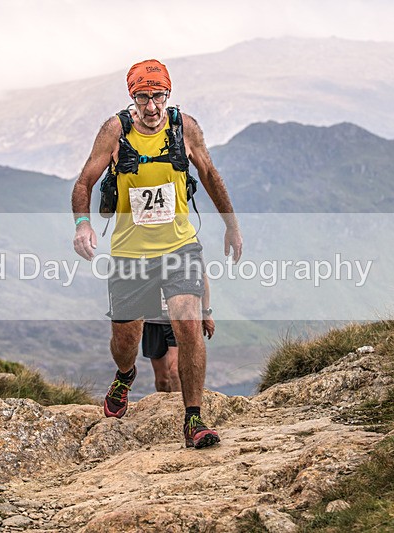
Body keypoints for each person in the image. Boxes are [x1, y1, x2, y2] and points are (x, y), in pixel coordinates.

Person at [71, 59, 242, 449]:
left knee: (188, 325)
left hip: (180, 247)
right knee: (125, 342)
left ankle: (194, 419)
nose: (151, 106)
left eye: (158, 96)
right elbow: (84, 181)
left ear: (168, 94)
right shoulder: (115, 130)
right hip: (130, 253)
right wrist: (82, 224)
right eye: (143, 97)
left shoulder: (185, 128)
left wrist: (231, 225)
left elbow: (210, 175)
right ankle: (125, 375)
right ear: (132, 97)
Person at [144, 279, 215, 393]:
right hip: (152, 321)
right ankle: (164, 403)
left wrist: (206, 313)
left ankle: (180, 404)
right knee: (162, 380)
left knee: (175, 372)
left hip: (179, 318)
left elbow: (202, 276)